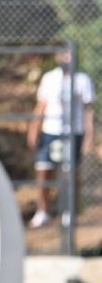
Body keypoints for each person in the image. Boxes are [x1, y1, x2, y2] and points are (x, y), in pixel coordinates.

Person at [27, 48, 95, 229]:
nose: (67, 57)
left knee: (70, 173)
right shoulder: (49, 78)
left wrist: (89, 135)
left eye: (70, 53)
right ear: (58, 57)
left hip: (73, 132)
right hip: (50, 131)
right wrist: (34, 129)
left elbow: (88, 110)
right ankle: (43, 211)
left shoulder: (82, 79)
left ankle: (69, 213)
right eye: (63, 54)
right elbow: (41, 106)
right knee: (44, 171)